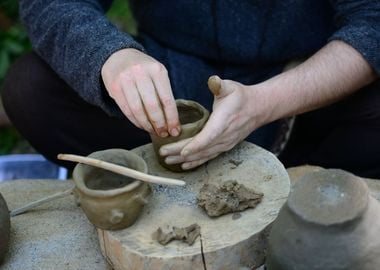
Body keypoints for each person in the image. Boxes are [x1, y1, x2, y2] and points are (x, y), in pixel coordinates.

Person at [2, 1, 379, 177]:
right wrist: (110, 57)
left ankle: (299, 182)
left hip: (299, 92)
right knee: (31, 88)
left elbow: (372, 21)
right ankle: (156, 175)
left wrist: (265, 103)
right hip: (170, 82)